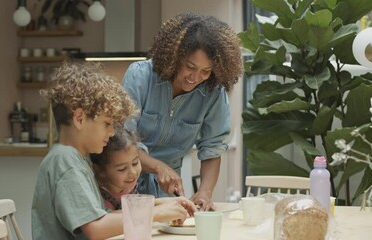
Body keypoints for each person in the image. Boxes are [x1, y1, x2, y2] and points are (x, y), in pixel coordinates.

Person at [31, 62, 196, 240]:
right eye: (107, 124)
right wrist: (155, 214)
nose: (111, 133)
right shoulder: (65, 162)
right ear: (79, 119)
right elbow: (96, 228)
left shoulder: (75, 159)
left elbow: (105, 215)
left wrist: (161, 204)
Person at [122, 12, 243, 211]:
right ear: (175, 56)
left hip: (168, 193)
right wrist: (158, 166)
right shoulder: (140, 76)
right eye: (190, 66)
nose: (195, 77)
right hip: (123, 185)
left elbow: (212, 148)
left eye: (206, 71)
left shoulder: (213, 92)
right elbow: (122, 141)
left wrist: (205, 192)